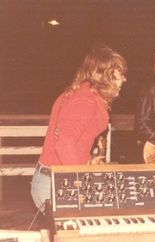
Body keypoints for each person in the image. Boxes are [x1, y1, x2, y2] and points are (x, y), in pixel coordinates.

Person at [31, 46, 127, 213]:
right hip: (54, 185)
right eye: (119, 74)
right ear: (105, 77)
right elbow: (64, 145)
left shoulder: (83, 94)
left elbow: (72, 140)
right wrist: (83, 177)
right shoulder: (84, 101)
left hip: (54, 179)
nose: (124, 79)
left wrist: (88, 161)